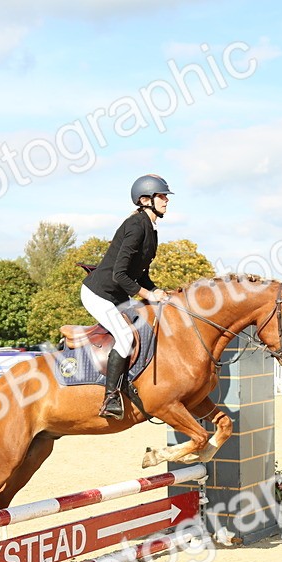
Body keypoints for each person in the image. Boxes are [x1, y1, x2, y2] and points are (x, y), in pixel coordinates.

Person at [81, 174, 172, 418]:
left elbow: (140, 274)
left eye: (165, 196)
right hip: (99, 293)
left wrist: (155, 291)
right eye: (161, 196)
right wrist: (146, 294)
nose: (166, 200)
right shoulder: (135, 226)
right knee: (124, 337)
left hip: (117, 293)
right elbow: (119, 275)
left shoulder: (151, 230)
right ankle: (110, 398)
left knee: (146, 327)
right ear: (145, 200)